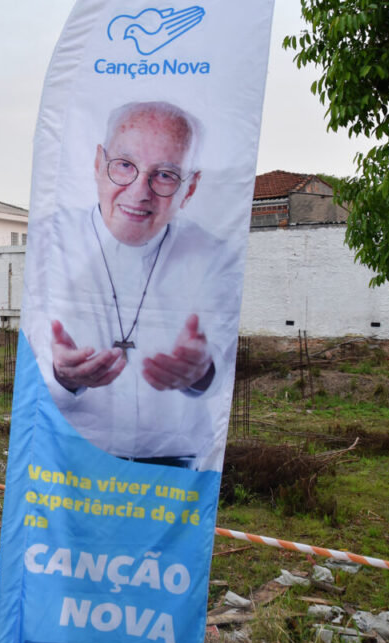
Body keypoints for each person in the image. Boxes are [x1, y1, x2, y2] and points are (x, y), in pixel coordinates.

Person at [29, 100, 241, 471]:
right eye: (125, 166)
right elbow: (32, 356)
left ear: (189, 188)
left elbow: (222, 358)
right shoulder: (50, 240)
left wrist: (201, 370)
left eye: (164, 175)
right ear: (99, 165)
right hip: (72, 453)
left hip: (173, 460)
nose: (139, 191)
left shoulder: (213, 254)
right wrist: (62, 373)